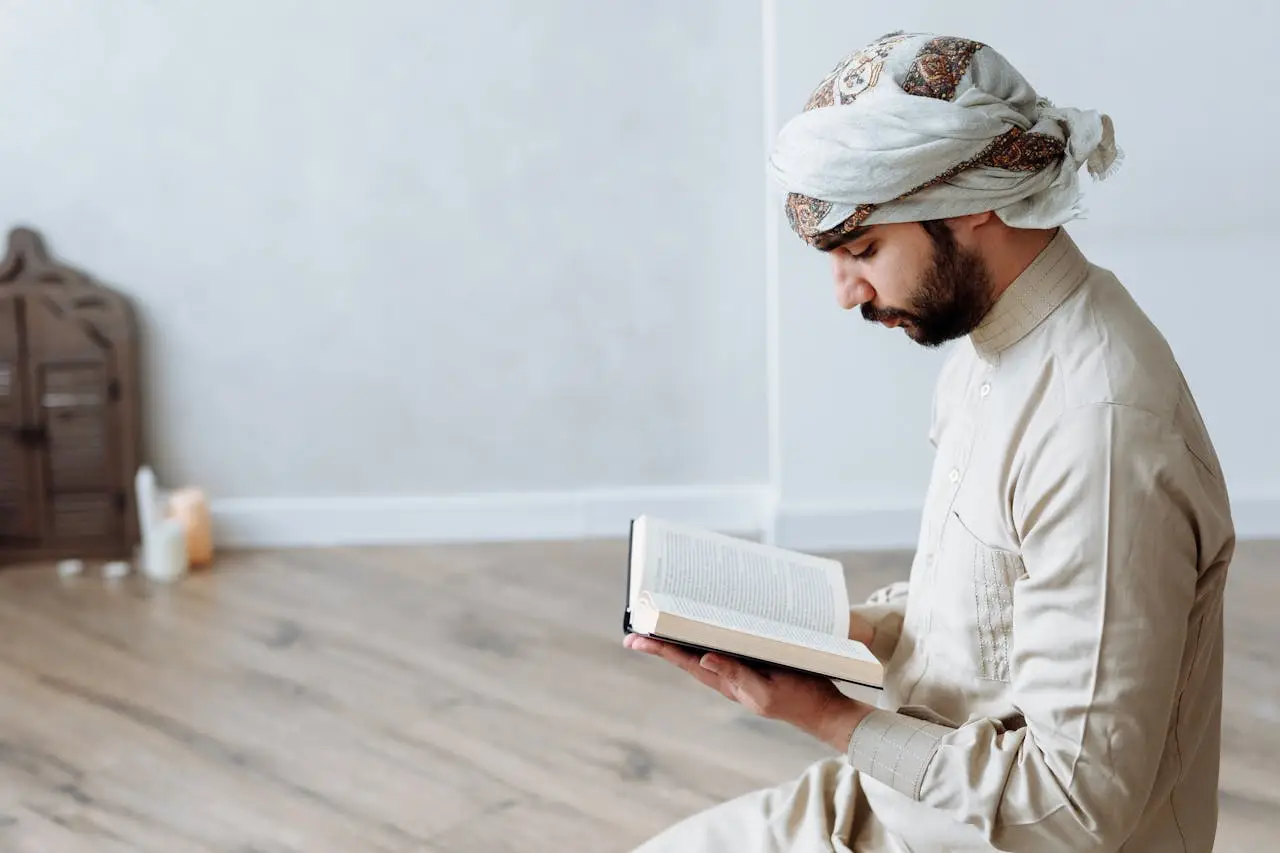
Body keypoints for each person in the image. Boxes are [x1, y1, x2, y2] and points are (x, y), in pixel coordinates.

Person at [624, 30, 1235, 853]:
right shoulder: (989, 351)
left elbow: (1073, 810)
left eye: (864, 250)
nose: (846, 293)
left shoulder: (1100, 430)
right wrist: (837, 633)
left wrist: (824, 715)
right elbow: (990, 618)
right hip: (899, 800)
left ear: (973, 201)